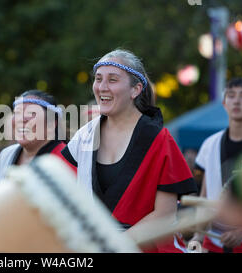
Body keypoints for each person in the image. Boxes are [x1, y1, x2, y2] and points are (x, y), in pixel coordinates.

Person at [60, 48, 198, 253]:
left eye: (113, 80)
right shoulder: (84, 135)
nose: (102, 87)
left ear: (136, 89)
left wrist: (116, 243)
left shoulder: (159, 139)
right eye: (98, 79)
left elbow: (164, 215)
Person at [190, 77, 242, 253]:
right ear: (224, 103)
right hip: (213, 241)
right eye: (231, 95)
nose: (236, 101)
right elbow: (203, 198)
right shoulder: (209, 144)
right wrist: (198, 235)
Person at [0, 90, 76, 187]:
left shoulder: (66, 160)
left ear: (51, 123)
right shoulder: (6, 154)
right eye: (17, 113)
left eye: (32, 113)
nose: (22, 119)